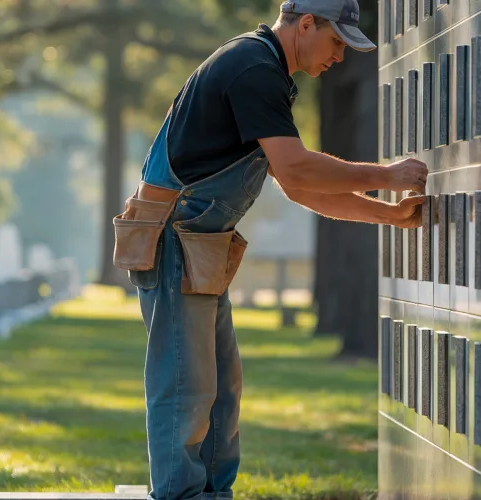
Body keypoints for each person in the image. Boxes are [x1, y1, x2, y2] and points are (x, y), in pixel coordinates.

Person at [112, 0, 428, 498]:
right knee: (187, 387)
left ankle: (213, 492)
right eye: (337, 42)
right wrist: (384, 176)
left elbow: (297, 186)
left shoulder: (268, 73)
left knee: (221, 389)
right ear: (306, 24)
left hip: (201, 245)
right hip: (174, 242)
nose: (339, 57)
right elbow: (298, 168)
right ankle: (181, 495)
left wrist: (388, 213)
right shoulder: (253, 68)